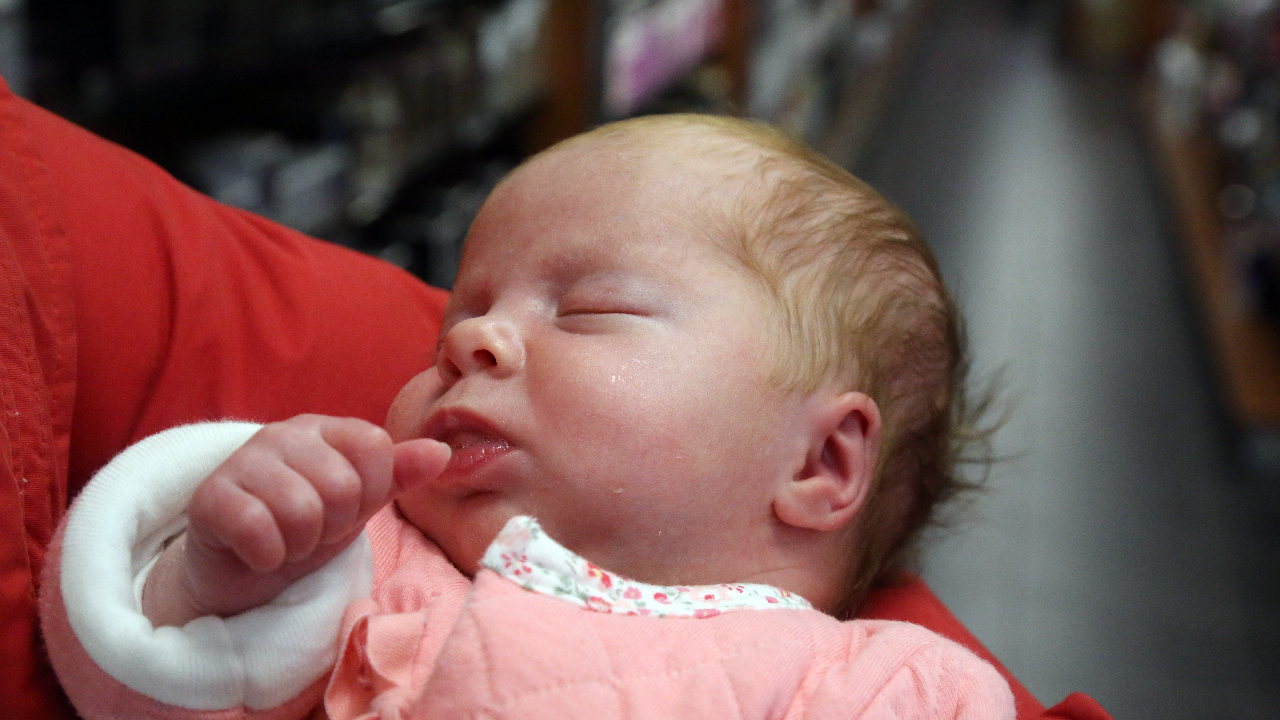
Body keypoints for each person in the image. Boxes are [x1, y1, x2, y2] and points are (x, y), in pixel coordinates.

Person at [42, 114, 1014, 718]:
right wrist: (215, 581)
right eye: (453, 324)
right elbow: (133, 695)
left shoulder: (881, 690)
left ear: (819, 463)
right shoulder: (364, 562)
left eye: (588, 309)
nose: (472, 340)